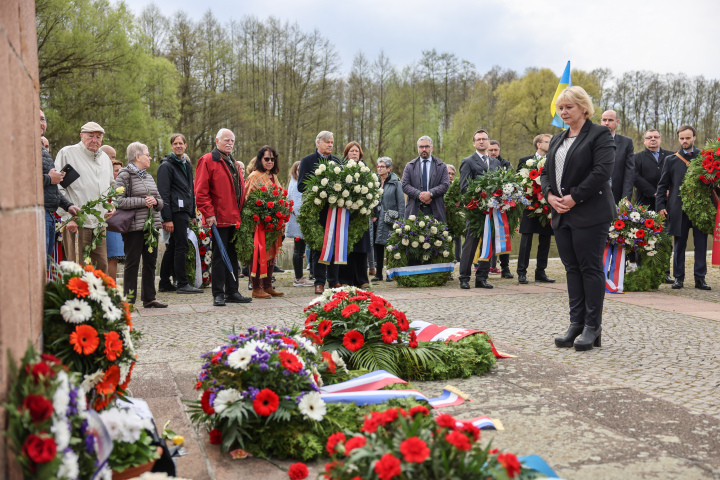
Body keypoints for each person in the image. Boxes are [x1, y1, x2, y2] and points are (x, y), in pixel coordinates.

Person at [540, 86, 616, 351]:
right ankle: (576, 324)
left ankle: (592, 327)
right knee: (572, 268)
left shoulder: (599, 134)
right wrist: (549, 195)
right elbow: (545, 172)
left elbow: (601, 171)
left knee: (590, 268)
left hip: (589, 212)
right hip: (560, 213)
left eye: (568, 107)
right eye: (561, 108)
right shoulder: (559, 138)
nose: (563, 112)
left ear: (584, 108)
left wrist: (574, 197)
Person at [195, 128, 252, 306]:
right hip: (218, 218)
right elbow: (201, 192)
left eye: (232, 141)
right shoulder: (208, 160)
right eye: (226, 140)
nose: (229, 143)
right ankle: (218, 293)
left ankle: (232, 291)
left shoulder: (232, 162)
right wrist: (209, 213)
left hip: (234, 218)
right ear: (217, 140)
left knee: (233, 255)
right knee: (219, 256)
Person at [55, 122, 116, 272]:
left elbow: (111, 186)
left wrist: (113, 204)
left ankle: (99, 296)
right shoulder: (67, 153)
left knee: (101, 267)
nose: (94, 140)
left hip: (99, 223)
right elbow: (57, 186)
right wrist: (67, 216)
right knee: (78, 268)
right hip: (77, 222)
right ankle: (78, 297)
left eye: (98, 137)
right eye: (90, 136)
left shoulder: (105, 159)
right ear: (81, 136)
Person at [656, 125, 711, 291]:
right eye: (682, 138)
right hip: (678, 209)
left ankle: (700, 278)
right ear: (678, 139)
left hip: (700, 209)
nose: (685, 141)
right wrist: (660, 206)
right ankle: (679, 278)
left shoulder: (705, 158)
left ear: (694, 137)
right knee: (679, 244)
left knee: (701, 244)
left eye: (688, 138)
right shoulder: (671, 160)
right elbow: (662, 185)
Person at [115, 142, 167, 308]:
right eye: (147, 154)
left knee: (150, 262)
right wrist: (144, 201)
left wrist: (155, 201)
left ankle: (149, 298)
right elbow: (119, 201)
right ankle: (128, 299)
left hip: (151, 226)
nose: (150, 157)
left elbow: (160, 201)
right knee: (132, 262)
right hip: (134, 227)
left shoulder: (149, 176)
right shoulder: (124, 175)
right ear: (137, 156)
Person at [458, 130, 504, 289]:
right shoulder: (468, 162)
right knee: (470, 245)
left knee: (488, 244)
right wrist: (480, 200)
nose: (482, 142)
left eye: (484, 139)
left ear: (489, 141)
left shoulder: (496, 162)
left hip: (493, 210)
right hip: (476, 210)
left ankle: (482, 278)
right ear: (474, 143)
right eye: (478, 140)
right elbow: (464, 187)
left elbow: (501, 184)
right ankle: (464, 277)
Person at [158, 133, 202, 294]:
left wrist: (192, 213)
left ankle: (164, 282)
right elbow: (164, 194)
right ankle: (182, 283)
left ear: (185, 146)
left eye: (180, 143)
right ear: (171, 146)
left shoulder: (186, 164)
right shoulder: (166, 166)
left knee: (174, 246)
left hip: (184, 212)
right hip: (174, 212)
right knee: (180, 246)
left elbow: (190, 190)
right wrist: (167, 218)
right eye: (175, 143)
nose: (178, 146)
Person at [297, 131, 341, 294]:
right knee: (319, 247)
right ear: (318, 143)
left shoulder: (337, 161)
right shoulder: (307, 161)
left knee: (335, 245)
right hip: (317, 213)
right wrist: (318, 188)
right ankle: (319, 282)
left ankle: (334, 280)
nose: (330, 145)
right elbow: (301, 186)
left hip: (334, 211)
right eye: (327, 142)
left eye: (332, 142)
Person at [40, 109, 79, 273]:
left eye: (43, 119)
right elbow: (21, 178)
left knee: (46, 267)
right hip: (39, 214)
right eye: (35, 118)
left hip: (49, 214)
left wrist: (68, 205)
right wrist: (49, 179)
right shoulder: (24, 146)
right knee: (40, 266)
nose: (41, 123)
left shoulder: (43, 152)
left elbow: (52, 188)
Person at [633, 129, 674, 282]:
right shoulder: (637, 158)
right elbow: (635, 178)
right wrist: (655, 192)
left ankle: (665, 272)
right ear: (644, 141)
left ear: (660, 139)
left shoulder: (670, 155)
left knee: (665, 238)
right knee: (642, 237)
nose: (653, 140)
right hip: (645, 202)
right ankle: (642, 271)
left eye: (655, 137)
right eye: (649, 138)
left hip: (667, 203)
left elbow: (676, 175)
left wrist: (669, 190)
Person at [245, 145, 285, 299]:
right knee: (258, 254)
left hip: (273, 223)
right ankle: (256, 288)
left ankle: (267, 285)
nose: (269, 161)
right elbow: (248, 200)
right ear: (260, 160)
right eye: (266, 159)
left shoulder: (273, 177)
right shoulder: (254, 176)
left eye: (272, 159)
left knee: (271, 254)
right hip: (259, 223)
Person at [516, 134, 555, 285]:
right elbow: (518, 183)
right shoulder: (525, 161)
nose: (550, 144)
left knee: (545, 239)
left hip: (546, 204)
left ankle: (541, 272)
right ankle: (521, 272)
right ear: (538, 144)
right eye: (547, 142)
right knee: (526, 239)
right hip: (529, 205)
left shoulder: (553, 161)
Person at [338, 142, 371, 287]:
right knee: (347, 247)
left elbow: (372, 190)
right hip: (346, 213)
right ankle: (345, 280)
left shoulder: (366, 169)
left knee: (361, 247)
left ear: (360, 154)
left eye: (357, 151)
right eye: (351, 151)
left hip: (361, 213)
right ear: (346, 154)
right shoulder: (340, 169)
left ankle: (362, 279)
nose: (354, 153)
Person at [402, 135, 450, 222]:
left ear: (432, 148)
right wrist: (419, 194)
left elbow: (445, 184)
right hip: (414, 210)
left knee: (436, 235)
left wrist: (430, 193)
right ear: (418, 148)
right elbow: (405, 185)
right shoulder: (410, 166)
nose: (424, 149)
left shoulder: (441, 166)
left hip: (436, 210)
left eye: (427, 146)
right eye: (421, 147)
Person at [371, 157, 404, 282]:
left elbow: (401, 203)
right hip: (376, 218)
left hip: (391, 218)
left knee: (390, 246)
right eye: (378, 166)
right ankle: (378, 274)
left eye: (382, 166)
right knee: (378, 245)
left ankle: (391, 273)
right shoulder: (373, 182)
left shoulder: (396, 183)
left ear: (389, 168)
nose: (379, 168)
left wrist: (400, 221)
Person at [487, 140, 513, 278]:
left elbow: (512, 182)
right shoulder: (482, 163)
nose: (493, 152)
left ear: (499, 150)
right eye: (490, 150)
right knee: (487, 235)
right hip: (487, 206)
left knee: (504, 235)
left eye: (495, 150)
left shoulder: (506, 164)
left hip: (503, 205)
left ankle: (505, 268)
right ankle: (486, 266)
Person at [287, 161, 313, 287]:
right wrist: (304, 218)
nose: (300, 171)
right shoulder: (296, 183)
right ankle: (298, 278)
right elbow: (296, 203)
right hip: (299, 221)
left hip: (300, 220)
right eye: (298, 169)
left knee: (301, 249)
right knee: (299, 250)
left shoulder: (296, 182)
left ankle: (301, 275)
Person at [600, 110, 635, 203]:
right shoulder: (591, 141)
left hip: (616, 195)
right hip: (594, 195)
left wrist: (626, 198)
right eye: (604, 120)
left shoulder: (626, 143)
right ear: (601, 122)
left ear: (617, 122)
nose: (607, 123)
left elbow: (629, 172)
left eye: (610, 120)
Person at [106, 159, 125, 281]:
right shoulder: (107, 187)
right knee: (111, 257)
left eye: (121, 171)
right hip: (110, 223)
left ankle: (111, 286)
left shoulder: (123, 186)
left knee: (115, 258)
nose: (119, 173)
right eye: (116, 171)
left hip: (119, 224)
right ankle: (109, 287)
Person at [446, 164, 462, 262]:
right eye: (448, 173)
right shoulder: (440, 186)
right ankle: (448, 257)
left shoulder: (456, 187)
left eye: (453, 174)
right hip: (444, 216)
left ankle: (458, 258)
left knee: (458, 237)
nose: (451, 176)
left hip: (455, 215)